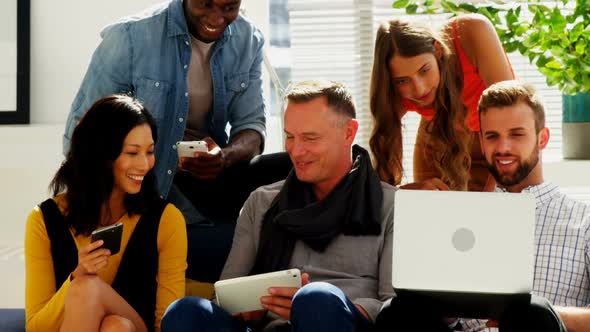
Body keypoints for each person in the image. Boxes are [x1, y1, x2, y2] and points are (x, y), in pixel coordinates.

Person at [63, 0, 292, 283]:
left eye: (229, 7)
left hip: (210, 176)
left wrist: (225, 156)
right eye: (206, 4)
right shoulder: (130, 37)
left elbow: (252, 128)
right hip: (149, 188)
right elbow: (81, 138)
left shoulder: (248, 40)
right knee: (236, 243)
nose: (217, 17)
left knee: (296, 164)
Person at [161, 80, 396, 332]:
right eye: (290, 136)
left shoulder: (390, 205)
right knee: (185, 313)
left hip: (344, 323)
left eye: (310, 138)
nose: (296, 150)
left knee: (316, 300)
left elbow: (393, 305)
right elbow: (225, 296)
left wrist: (322, 305)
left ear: (349, 132)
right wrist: (245, 309)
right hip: (270, 326)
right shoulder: (261, 202)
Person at [375, 80, 589, 331]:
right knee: (397, 311)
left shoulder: (582, 221)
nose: (503, 147)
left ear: (543, 138)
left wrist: (529, 312)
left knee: (533, 313)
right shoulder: (454, 219)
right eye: (492, 136)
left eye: (517, 134)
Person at [25, 95, 187, 332]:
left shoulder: (166, 220)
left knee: (88, 289)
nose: (145, 164)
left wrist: (83, 284)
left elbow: (167, 324)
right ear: (100, 156)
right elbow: (36, 328)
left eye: (150, 151)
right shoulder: (43, 220)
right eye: (132, 153)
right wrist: (77, 276)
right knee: (114, 325)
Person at [369, 14, 514, 192]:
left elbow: (512, 115)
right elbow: (385, 187)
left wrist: (495, 193)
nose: (419, 89)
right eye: (402, 81)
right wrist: (409, 190)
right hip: (438, 134)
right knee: (431, 207)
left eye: (424, 70)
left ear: (437, 50)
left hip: (496, 136)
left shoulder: (473, 32)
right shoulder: (390, 89)